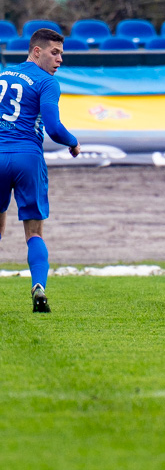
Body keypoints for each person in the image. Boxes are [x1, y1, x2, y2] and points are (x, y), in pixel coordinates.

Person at [0, 28, 81, 313]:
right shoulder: (46, 83)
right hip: (27, 158)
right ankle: (38, 286)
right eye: (54, 53)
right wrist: (73, 143)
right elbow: (54, 128)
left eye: (61, 54)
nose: (59, 60)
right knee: (34, 231)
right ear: (37, 51)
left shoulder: (4, 75)